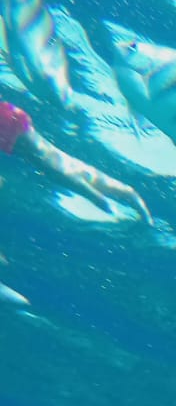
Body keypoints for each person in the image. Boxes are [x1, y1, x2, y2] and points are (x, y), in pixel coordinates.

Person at [0, 99, 151, 305]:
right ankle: (125, 192)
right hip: (10, 117)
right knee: (51, 159)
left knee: (49, 163)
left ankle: (101, 197)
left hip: (7, 121)